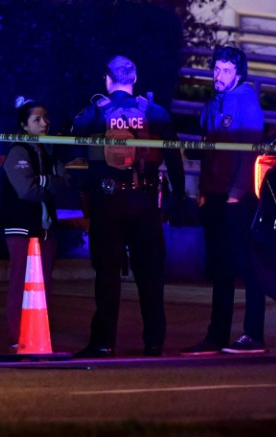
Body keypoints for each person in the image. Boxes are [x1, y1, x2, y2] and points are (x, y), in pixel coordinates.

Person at [71, 55, 185, 358]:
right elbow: (174, 157)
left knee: (107, 274)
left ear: (107, 80)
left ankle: (103, 342)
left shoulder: (95, 112)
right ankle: (154, 342)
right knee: (150, 276)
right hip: (146, 203)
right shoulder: (155, 112)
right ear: (134, 79)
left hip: (108, 203)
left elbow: (71, 145)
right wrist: (177, 197)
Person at [182, 46, 266, 355]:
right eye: (216, 69)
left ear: (238, 74)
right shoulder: (211, 105)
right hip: (214, 196)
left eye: (226, 70)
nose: (219, 75)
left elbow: (250, 154)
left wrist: (236, 193)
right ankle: (216, 336)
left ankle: (254, 335)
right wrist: (204, 191)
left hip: (236, 200)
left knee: (246, 266)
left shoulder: (248, 105)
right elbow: (207, 154)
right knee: (220, 268)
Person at [2, 97, 71, 352]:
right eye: (37, 119)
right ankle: (17, 336)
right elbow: (25, 190)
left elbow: (65, 183)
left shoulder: (50, 151)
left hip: (46, 230)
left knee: (43, 288)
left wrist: (44, 181)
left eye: (45, 118)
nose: (45, 123)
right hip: (22, 228)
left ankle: (38, 333)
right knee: (21, 283)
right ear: (24, 125)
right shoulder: (19, 151)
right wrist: (48, 182)